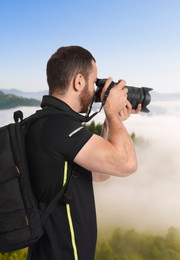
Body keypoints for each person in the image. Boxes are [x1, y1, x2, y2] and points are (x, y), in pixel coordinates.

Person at [26, 45, 140, 260]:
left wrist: (110, 119)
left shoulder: (48, 125)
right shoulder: (58, 128)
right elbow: (127, 164)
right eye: (94, 81)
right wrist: (112, 114)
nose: (97, 90)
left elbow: (101, 173)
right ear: (78, 82)